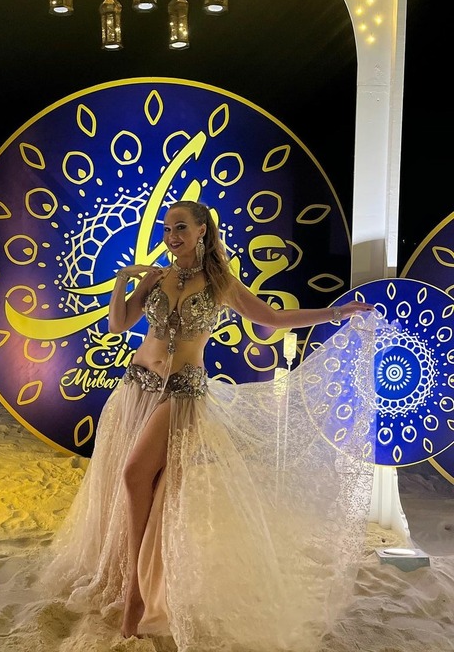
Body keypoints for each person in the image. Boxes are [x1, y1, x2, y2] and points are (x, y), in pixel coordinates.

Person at [37, 200, 380, 652]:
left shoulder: (221, 284)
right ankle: (133, 581)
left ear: (202, 231)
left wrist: (337, 314)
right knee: (139, 488)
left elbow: (273, 319)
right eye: (166, 229)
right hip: (137, 388)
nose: (171, 236)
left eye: (180, 227)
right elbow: (119, 324)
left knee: (135, 475)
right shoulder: (156, 278)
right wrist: (123, 281)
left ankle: (138, 595)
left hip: (181, 394)